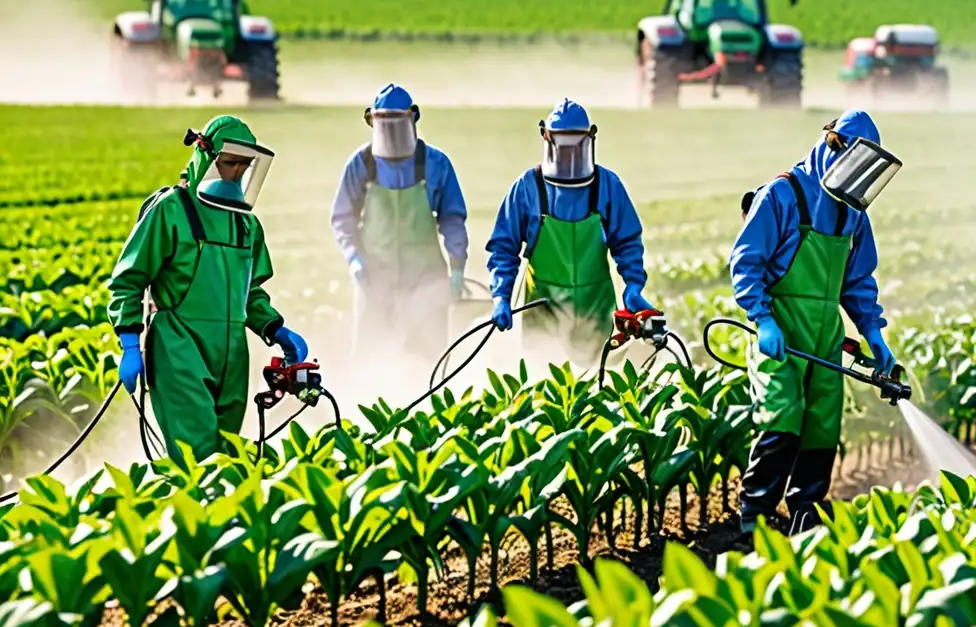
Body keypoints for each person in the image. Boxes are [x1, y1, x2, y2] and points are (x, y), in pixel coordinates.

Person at [730, 109, 900, 536]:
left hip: (825, 335)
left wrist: (874, 334)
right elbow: (746, 263)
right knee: (782, 416)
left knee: (823, 423)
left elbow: (857, 281)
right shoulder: (784, 195)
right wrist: (762, 319)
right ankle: (755, 513)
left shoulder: (853, 213)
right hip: (781, 332)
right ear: (833, 148)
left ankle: (806, 509)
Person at [107, 115, 307, 465]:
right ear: (206, 155)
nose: (236, 174)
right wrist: (128, 342)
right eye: (230, 163)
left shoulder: (246, 223)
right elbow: (129, 279)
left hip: (232, 354)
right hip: (179, 348)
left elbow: (249, 291)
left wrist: (275, 329)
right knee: (198, 459)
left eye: (244, 166)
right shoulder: (172, 210)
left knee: (228, 455)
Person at [485, 98, 653, 365]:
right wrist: (500, 296)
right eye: (563, 148)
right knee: (545, 382)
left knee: (599, 380)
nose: (570, 158)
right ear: (547, 139)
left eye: (576, 148)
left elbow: (628, 242)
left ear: (589, 141)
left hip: (595, 307)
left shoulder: (607, 185)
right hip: (542, 306)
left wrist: (633, 286)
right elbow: (504, 249)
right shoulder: (528, 188)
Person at [330, 84, 468, 362]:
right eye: (384, 124)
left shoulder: (435, 163)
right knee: (371, 356)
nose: (391, 132)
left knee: (428, 357)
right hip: (374, 279)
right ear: (373, 122)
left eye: (396, 123)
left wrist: (456, 266)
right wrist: (355, 259)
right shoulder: (362, 163)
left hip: (425, 279)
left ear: (412, 118)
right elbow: (343, 218)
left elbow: (452, 219)